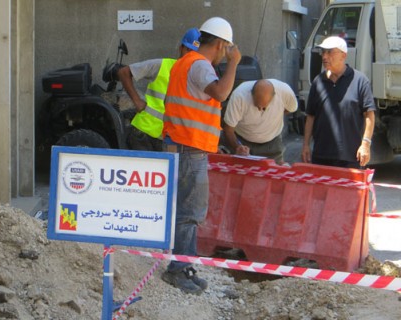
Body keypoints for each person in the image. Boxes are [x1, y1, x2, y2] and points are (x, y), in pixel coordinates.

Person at [161, 17, 241, 295]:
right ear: (220, 45)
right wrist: (234, 63)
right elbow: (220, 93)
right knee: (189, 212)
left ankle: (185, 266)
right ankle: (178, 270)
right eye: (226, 50)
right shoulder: (198, 65)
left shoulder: (188, 63)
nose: (225, 55)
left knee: (189, 211)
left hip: (188, 146)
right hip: (187, 148)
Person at [117, 28, 201, 151]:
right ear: (181, 48)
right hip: (144, 133)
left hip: (170, 139)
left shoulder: (196, 78)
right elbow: (124, 72)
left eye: (193, 53)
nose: (189, 55)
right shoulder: (162, 65)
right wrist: (137, 101)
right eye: (187, 50)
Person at [301, 36, 376, 168]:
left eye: (329, 52)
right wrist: (306, 145)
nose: (324, 56)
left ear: (343, 55)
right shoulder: (318, 82)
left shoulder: (359, 80)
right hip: (321, 156)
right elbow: (310, 116)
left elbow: (369, 114)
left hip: (350, 156)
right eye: (323, 52)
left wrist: (365, 144)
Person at [223, 79, 298, 164]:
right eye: (257, 105)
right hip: (243, 140)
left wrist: (273, 116)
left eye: (264, 108)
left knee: (274, 173)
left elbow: (291, 109)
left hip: (272, 143)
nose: (260, 109)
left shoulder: (285, 92)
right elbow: (228, 129)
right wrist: (238, 147)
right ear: (251, 94)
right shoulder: (239, 95)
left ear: (274, 96)